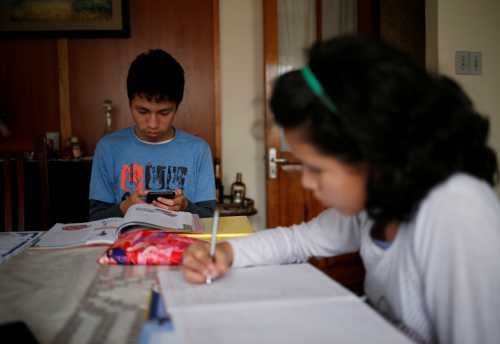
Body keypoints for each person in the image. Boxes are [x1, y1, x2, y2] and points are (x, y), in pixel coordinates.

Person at [181, 36, 500, 343]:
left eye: (317, 168)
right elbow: (297, 240)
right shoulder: (378, 202)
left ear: (372, 152)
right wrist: (225, 252)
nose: (306, 181)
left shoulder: (456, 210)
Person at [89, 49, 216, 220]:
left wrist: (185, 206)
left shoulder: (198, 150)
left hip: (183, 246)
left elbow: (209, 218)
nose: (153, 124)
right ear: (129, 103)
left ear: (177, 107)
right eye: (143, 111)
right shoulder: (108, 147)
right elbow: (95, 219)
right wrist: (124, 207)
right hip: (126, 244)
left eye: (164, 113)